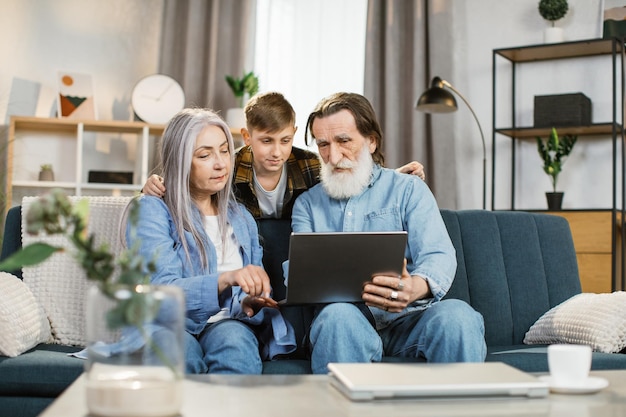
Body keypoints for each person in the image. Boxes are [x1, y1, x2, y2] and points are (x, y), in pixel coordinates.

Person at [290, 92, 486, 374]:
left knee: (458, 316)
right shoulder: (307, 205)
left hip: (411, 318)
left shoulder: (408, 189)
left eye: (344, 141)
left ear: (371, 141)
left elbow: (438, 254)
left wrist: (414, 288)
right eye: (323, 144)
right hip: (347, 322)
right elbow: (301, 275)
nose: (333, 156)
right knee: (337, 317)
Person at [128, 108, 296, 374]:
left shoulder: (241, 218)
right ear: (180, 160)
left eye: (225, 151)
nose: (221, 164)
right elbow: (160, 293)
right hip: (168, 324)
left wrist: (249, 301)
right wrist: (226, 279)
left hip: (229, 323)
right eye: (205, 155)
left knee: (237, 348)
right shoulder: (152, 210)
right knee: (179, 354)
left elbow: (250, 290)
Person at [142, 91, 426, 219]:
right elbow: (193, 182)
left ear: (294, 133)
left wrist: (393, 176)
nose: (276, 152)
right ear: (247, 137)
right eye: (266, 141)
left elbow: (348, 172)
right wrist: (153, 188)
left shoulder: (309, 163)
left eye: (285, 140)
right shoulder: (230, 165)